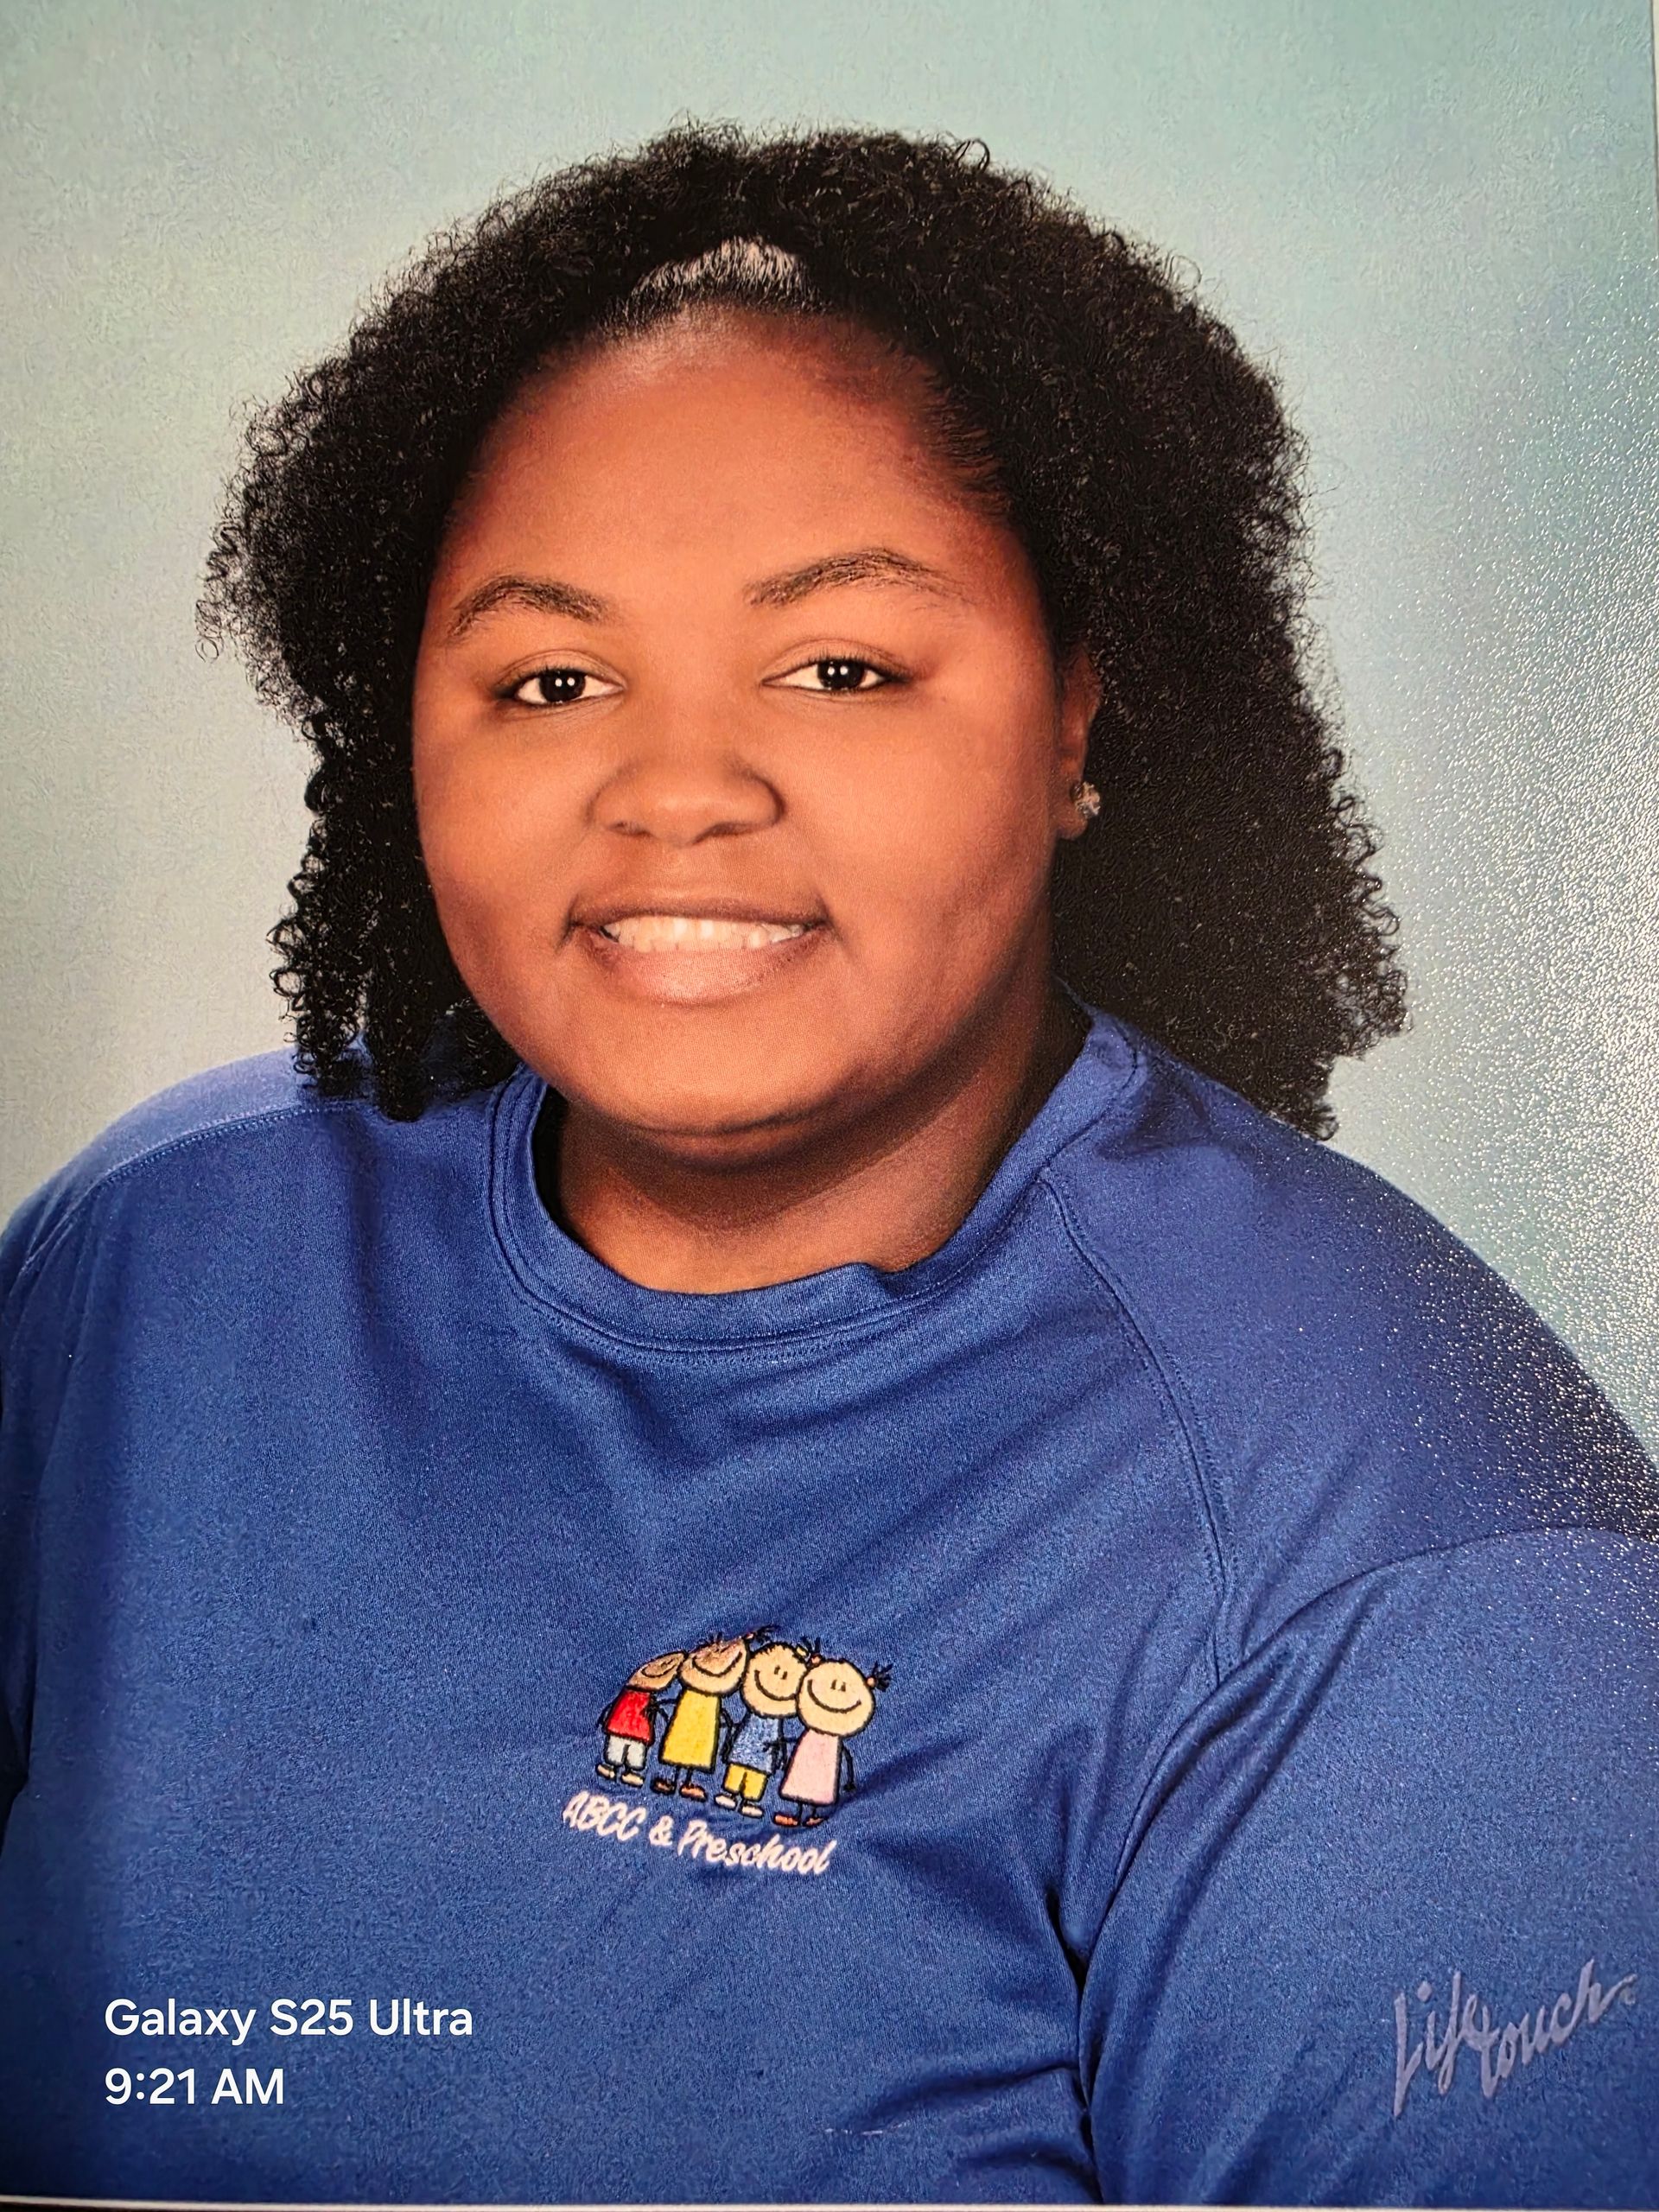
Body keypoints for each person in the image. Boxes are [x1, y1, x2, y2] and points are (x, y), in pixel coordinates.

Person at [0, 121, 1654, 2206]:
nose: (678, 789)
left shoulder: (1424, 1565)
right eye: (554, 676)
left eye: (843, 666)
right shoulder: (139, 1274)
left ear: (1078, 719)